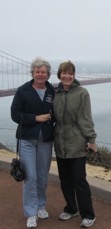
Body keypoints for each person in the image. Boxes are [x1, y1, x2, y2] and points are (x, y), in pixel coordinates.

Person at [10, 57, 55, 228]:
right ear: (32, 73)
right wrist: (36, 118)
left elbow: (58, 111)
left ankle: (41, 206)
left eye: (43, 72)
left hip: (45, 139)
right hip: (27, 139)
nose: (40, 74)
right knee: (31, 177)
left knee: (42, 177)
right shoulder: (23, 91)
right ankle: (31, 212)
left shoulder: (53, 91)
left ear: (48, 74)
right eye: (37, 71)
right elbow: (15, 115)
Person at [53, 60, 97, 228]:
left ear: (74, 75)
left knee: (79, 180)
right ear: (59, 75)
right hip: (60, 142)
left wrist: (91, 140)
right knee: (65, 179)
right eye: (64, 73)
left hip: (77, 142)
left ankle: (88, 214)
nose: (67, 76)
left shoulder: (82, 93)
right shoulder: (55, 92)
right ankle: (71, 209)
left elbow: (85, 118)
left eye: (70, 73)